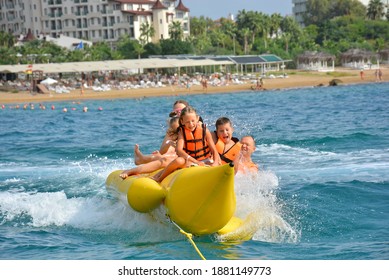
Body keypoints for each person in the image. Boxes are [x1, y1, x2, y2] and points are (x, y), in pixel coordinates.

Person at [152, 106, 221, 183]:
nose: (191, 124)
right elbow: (179, 150)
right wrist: (195, 161)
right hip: (189, 161)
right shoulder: (181, 132)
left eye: (192, 121)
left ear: (197, 119)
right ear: (182, 121)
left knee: (216, 162)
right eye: (187, 122)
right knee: (179, 160)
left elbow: (214, 149)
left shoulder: (204, 130)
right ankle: (160, 179)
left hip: (205, 160)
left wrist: (215, 163)